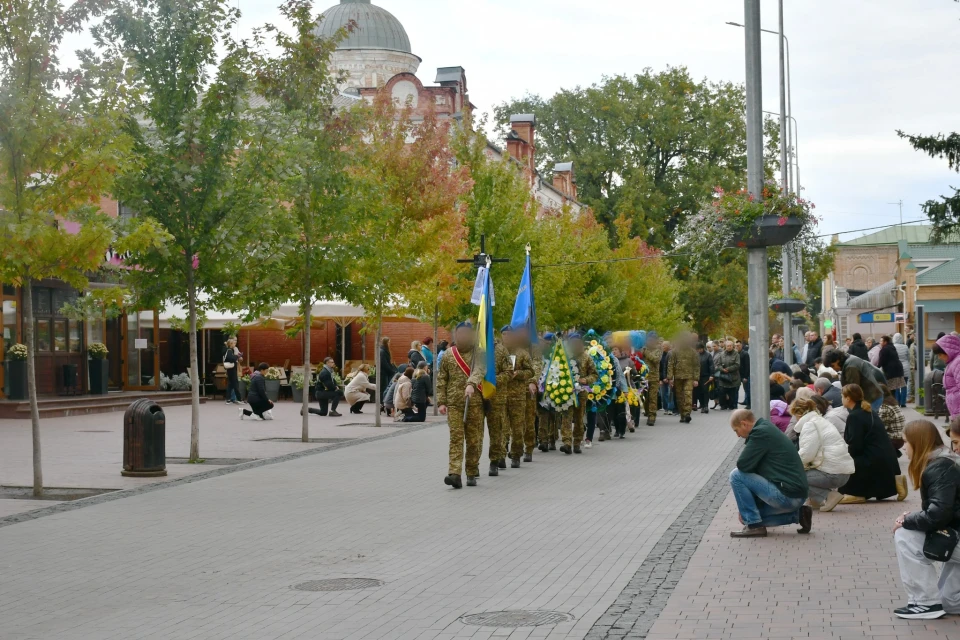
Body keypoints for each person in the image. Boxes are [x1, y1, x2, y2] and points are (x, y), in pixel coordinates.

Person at [892, 420, 960, 620]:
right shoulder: (944, 464)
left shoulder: (941, 467)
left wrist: (907, 520)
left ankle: (924, 603)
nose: (904, 447)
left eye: (906, 442)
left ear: (918, 442)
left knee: (905, 534)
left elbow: (937, 515)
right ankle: (932, 603)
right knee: (951, 603)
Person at [728, 409, 812, 538]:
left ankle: (754, 526)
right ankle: (799, 515)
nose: (737, 435)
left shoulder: (760, 433)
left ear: (744, 424)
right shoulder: (766, 428)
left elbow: (743, 465)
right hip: (796, 495)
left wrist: (750, 513)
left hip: (788, 495)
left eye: (736, 430)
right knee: (747, 518)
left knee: (736, 475)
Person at [436, 322, 485, 488]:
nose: (463, 336)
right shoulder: (449, 355)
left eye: (466, 333)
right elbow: (442, 379)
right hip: (454, 404)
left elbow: (480, 369)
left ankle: (471, 471)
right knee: (456, 438)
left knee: (473, 440)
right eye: (460, 333)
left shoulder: (479, 353)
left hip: (475, 403)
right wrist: (441, 402)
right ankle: (454, 473)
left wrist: (471, 383)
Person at [837, 384, 905, 504]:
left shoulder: (854, 416)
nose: (841, 398)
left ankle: (857, 493)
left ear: (848, 398)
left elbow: (855, 445)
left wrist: (843, 457)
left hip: (873, 460)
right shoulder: (869, 411)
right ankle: (896, 481)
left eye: (842, 396)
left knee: (847, 465)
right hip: (887, 461)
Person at [790, 397, 855, 512]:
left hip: (834, 474)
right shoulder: (820, 421)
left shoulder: (810, 425)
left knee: (794, 478)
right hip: (842, 471)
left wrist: (789, 466)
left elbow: (806, 455)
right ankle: (815, 500)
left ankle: (828, 496)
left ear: (798, 413)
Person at [560, 333, 598, 454]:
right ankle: (566, 442)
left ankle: (577, 442)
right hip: (567, 391)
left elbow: (594, 374)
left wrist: (585, 380)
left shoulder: (586, 357)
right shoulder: (565, 356)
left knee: (579, 418)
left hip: (581, 392)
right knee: (566, 417)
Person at [503, 326, 534, 466]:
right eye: (505, 335)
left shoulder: (522, 353)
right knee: (501, 428)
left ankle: (516, 454)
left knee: (517, 428)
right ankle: (500, 455)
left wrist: (519, 374)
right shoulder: (497, 353)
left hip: (518, 396)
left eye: (510, 335)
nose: (507, 337)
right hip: (501, 396)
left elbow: (530, 371)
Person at [668, 336, 700, 423]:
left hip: (689, 377)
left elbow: (697, 366)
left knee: (688, 394)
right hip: (678, 377)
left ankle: (687, 414)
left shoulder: (693, 352)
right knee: (679, 397)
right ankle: (682, 414)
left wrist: (696, 379)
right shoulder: (675, 351)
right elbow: (670, 364)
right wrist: (670, 378)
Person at [934, 333, 960, 420]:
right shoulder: (952, 362)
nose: (939, 357)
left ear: (948, 351)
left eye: (940, 354)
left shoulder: (957, 362)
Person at [879, 335, 907, 409]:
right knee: (894, 389)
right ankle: (895, 404)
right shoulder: (892, 347)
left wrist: (876, 367)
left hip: (890, 371)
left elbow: (881, 361)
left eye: (881, 341)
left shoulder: (884, 349)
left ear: (885, 342)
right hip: (898, 370)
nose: (880, 342)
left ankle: (893, 405)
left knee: (890, 389)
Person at [878, 384, 907, 451]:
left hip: (894, 439)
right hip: (900, 437)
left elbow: (882, 428)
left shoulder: (884, 406)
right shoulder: (892, 402)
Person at [643, 332, 663, 426]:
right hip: (644, 377)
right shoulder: (643, 349)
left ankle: (652, 416)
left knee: (653, 397)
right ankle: (647, 411)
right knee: (645, 398)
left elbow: (656, 360)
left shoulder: (658, 350)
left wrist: (646, 353)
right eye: (649, 339)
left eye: (652, 340)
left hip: (654, 377)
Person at [715, 340, 741, 411]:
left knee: (732, 392)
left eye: (730, 346)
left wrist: (728, 369)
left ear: (732, 346)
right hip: (723, 377)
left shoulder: (736, 354)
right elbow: (718, 364)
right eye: (727, 346)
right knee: (722, 391)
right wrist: (722, 369)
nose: (729, 347)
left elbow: (737, 365)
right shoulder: (722, 354)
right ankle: (723, 405)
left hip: (733, 377)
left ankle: (731, 405)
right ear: (725, 346)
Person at [892, 333, 911, 407]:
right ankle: (903, 402)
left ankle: (897, 401)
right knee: (904, 385)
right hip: (905, 367)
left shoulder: (893, 347)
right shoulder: (905, 347)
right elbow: (908, 357)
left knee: (896, 386)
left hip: (896, 368)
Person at [696, 342, 715, 415]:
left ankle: (706, 406)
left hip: (706, 376)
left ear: (703, 348)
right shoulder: (696, 355)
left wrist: (712, 375)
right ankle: (702, 405)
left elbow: (711, 365)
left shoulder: (708, 355)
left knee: (705, 391)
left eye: (700, 349)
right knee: (699, 391)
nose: (699, 350)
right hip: (698, 376)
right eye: (698, 349)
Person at [223, 338, 242, 404]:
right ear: (231, 344)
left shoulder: (230, 350)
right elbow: (230, 359)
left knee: (230, 384)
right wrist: (237, 356)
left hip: (230, 369)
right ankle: (239, 399)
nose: (235, 344)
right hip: (232, 369)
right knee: (235, 384)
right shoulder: (230, 350)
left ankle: (228, 399)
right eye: (233, 343)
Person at [738, 340, 751, 409]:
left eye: (738, 345)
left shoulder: (745, 354)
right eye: (736, 346)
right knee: (745, 389)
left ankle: (749, 404)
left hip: (745, 375)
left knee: (747, 390)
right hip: (741, 375)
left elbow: (747, 366)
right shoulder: (737, 353)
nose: (737, 347)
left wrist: (746, 376)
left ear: (741, 346)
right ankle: (746, 401)